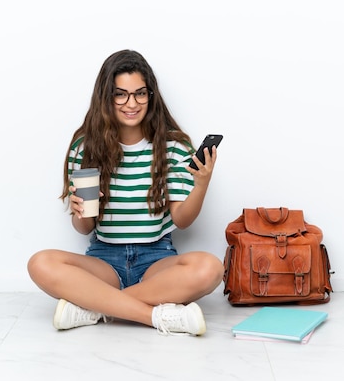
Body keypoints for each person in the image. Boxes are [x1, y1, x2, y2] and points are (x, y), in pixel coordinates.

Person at [27, 49, 224, 336]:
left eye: (140, 94)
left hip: (156, 260)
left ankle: (93, 307)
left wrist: (202, 184)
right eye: (121, 94)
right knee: (40, 263)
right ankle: (154, 315)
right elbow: (84, 228)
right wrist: (81, 212)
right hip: (104, 261)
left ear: (150, 96)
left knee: (210, 268)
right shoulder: (85, 147)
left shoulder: (174, 147)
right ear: (106, 97)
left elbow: (182, 220)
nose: (131, 103)